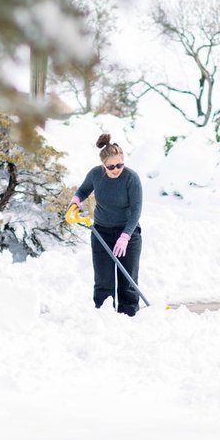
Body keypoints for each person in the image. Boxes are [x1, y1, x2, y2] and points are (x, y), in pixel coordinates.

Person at [71, 133, 144, 315]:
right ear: (103, 165)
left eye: (120, 165)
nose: (116, 169)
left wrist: (125, 236)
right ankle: (104, 318)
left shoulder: (131, 178)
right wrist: (75, 202)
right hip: (101, 233)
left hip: (128, 234)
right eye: (111, 166)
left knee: (128, 282)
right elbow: (83, 190)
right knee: (103, 281)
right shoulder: (96, 174)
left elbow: (136, 210)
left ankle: (129, 317)